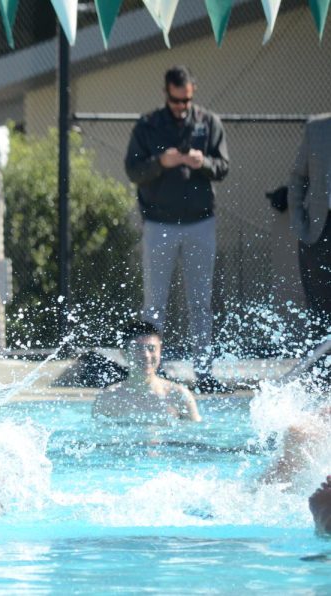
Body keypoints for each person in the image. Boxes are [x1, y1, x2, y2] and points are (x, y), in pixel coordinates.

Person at [124, 65, 230, 395]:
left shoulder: (209, 123)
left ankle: (204, 369)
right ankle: (153, 369)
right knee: (155, 303)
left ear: (192, 93)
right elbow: (133, 169)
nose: (181, 106)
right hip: (160, 223)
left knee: (200, 301)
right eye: (175, 100)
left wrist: (204, 163)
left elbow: (223, 167)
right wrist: (161, 162)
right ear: (166, 93)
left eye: (186, 100)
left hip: (200, 222)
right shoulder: (148, 125)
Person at [92, 320, 202, 424]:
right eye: (138, 349)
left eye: (151, 348)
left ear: (160, 351)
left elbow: (197, 435)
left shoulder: (178, 395)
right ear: (124, 353)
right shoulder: (108, 398)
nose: (146, 355)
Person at [288, 114, 331, 334]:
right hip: (320, 229)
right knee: (320, 308)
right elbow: (297, 177)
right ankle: (323, 367)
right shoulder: (317, 129)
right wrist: (298, 222)